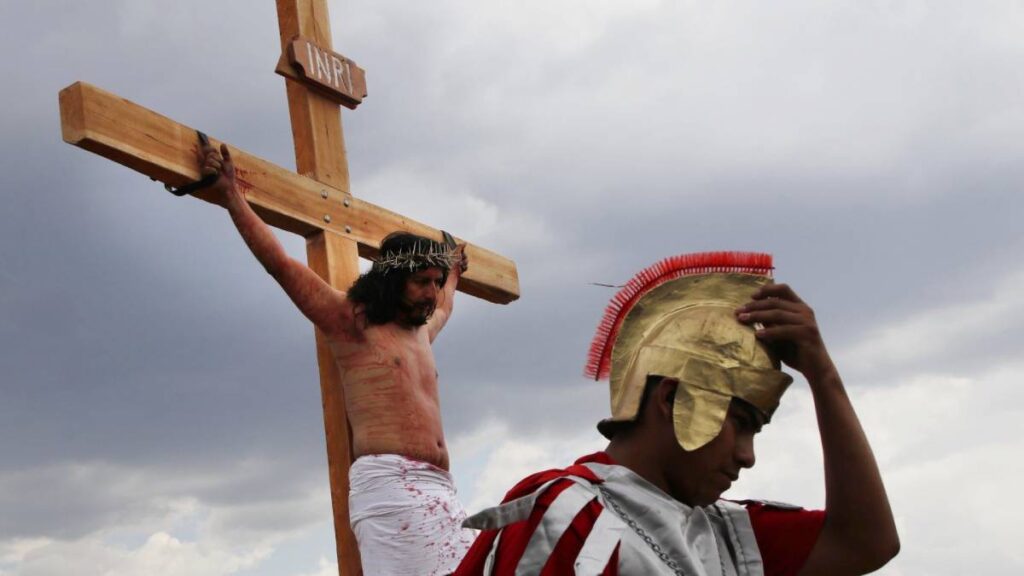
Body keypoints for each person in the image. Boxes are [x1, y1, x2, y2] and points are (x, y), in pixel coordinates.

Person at [455, 252, 899, 576]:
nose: (748, 456)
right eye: (740, 424)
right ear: (671, 399)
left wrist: (823, 374)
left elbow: (866, 542)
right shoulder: (567, 516)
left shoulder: (724, 530)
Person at [197, 142, 476, 575]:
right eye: (422, 281)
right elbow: (282, 266)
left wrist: (454, 273)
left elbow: (446, 306)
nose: (431, 292)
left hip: (442, 488)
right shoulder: (352, 323)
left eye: (435, 281)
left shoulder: (421, 331)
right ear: (393, 279)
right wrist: (232, 198)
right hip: (389, 486)